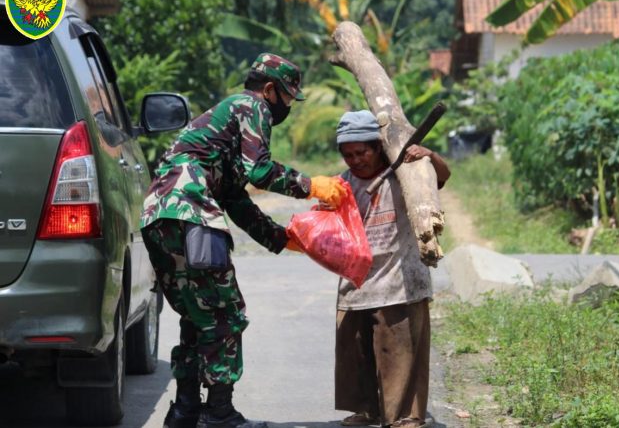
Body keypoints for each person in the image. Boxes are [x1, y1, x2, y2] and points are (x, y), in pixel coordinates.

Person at [140, 53, 346, 428]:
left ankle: (186, 412)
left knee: (197, 315)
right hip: (192, 213)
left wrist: (281, 238)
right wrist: (311, 185)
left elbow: (237, 200)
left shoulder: (221, 131)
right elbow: (261, 171)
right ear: (269, 90)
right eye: (287, 97)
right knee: (225, 314)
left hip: (158, 218)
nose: (287, 108)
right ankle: (219, 414)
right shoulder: (252, 106)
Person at [332, 110, 450, 428]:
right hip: (358, 279)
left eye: (362, 152)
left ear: (377, 147)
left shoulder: (406, 172)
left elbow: (442, 175)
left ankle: (407, 415)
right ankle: (367, 409)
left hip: (400, 277)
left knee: (401, 350)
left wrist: (429, 155)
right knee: (356, 350)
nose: (356, 160)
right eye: (348, 155)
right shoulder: (343, 183)